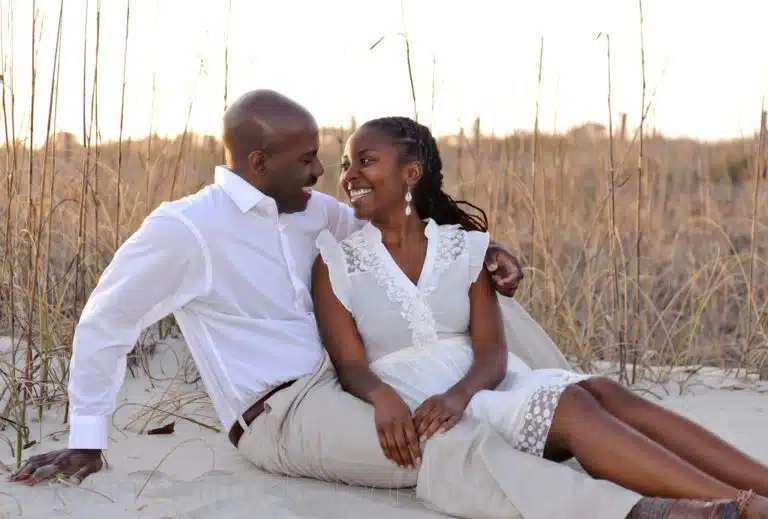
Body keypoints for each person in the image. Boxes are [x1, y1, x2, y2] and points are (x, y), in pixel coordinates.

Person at [0, 89, 721, 519]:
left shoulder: (311, 210)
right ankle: (642, 511)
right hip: (283, 412)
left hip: (356, 377)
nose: (323, 172)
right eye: (307, 159)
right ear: (257, 163)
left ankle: (570, 398)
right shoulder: (184, 230)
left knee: (516, 337)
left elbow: (412, 236)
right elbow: (105, 321)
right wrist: (89, 437)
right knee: (449, 446)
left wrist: (492, 250)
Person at [310, 116, 768, 519]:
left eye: (365, 161)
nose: (349, 175)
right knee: (573, 405)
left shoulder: (464, 248)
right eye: (346, 164)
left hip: (480, 385)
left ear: (410, 173)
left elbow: (491, 352)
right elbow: (350, 364)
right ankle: (743, 507)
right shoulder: (336, 260)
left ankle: (760, 484)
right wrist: (384, 398)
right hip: (420, 399)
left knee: (601, 389)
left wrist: (459, 395)